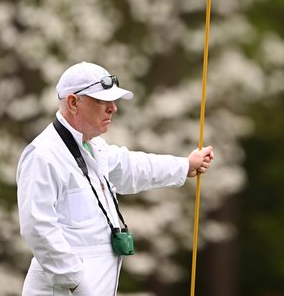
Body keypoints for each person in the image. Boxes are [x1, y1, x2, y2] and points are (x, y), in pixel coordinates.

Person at [17, 61, 214, 295]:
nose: (113, 108)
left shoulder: (93, 148)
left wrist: (184, 165)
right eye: (102, 101)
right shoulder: (43, 155)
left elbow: (134, 167)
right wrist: (76, 284)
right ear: (73, 103)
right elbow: (37, 227)